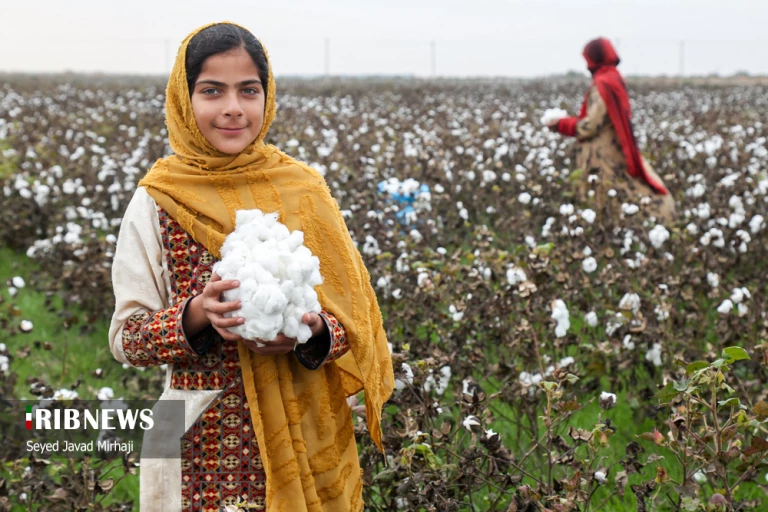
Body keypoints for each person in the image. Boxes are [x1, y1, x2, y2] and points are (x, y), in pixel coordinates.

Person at [108, 22, 393, 511]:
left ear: (268, 95)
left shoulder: (303, 190)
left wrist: (310, 333)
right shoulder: (156, 201)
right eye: (212, 91)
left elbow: (355, 322)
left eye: (249, 90)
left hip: (305, 437)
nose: (233, 108)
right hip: (197, 442)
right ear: (183, 98)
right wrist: (198, 314)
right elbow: (126, 338)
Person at [549, 37, 675, 223]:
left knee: (613, 190)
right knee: (625, 187)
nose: (586, 66)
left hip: (604, 154)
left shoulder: (603, 84)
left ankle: (652, 220)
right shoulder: (615, 78)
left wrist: (561, 124)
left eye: (588, 60)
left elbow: (591, 125)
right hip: (617, 143)